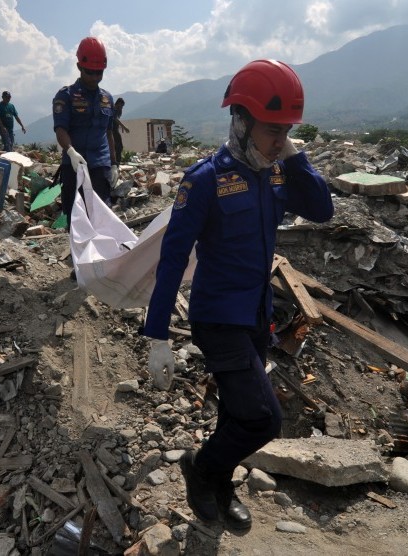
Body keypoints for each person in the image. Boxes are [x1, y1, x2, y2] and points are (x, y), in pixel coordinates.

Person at [141, 60, 334, 530]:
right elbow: (171, 259)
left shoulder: (275, 172)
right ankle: (201, 469)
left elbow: (323, 211)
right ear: (241, 122)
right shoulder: (204, 180)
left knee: (235, 411)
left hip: (255, 316)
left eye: (285, 131)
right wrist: (157, 336)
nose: (278, 140)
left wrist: (294, 156)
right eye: (272, 131)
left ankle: (220, 489)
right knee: (264, 420)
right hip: (217, 318)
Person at [52, 36, 117, 225]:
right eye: (90, 72)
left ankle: (103, 255)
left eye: (99, 73)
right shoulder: (66, 96)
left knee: (102, 216)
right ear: (79, 67)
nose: (95, 77)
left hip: (100, 166)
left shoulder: (107, 98)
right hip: (75, 166)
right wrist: (71, 152)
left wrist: (114, 164)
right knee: (76, 217)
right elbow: (60, 129)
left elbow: (109, 132)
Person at [112, 97, 130, 164]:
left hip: (115, 130)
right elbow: (115, 119)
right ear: (119, 104)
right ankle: (116, 162)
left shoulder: (116, 110)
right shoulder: (114, 109)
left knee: (118, 146)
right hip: (112, 131)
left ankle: (116, 161)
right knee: (119, 147)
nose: (122, 108)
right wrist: (124, 127)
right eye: (121, 106)